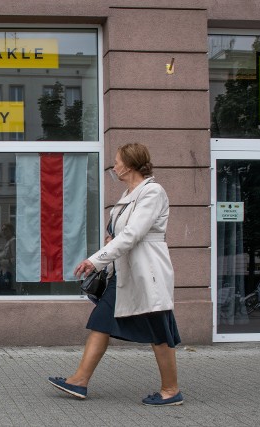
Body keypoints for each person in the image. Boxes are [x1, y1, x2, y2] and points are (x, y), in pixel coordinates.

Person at [48, 143, 183, 406]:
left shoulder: (152, 192)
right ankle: (79, 381)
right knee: (101, 321)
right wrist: (106, 255)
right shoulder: (128, 195)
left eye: (118, 161)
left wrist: (96, 260)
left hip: (147, 274)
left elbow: (132, 235)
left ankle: (171, 390)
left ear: (131, 165)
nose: (115, 166)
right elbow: (119, 235)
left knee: (159, 331)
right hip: (123, 273)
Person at [0, 223, 16, 294]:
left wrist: (2, 262)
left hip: (9, 276)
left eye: (6, 229)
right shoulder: (6, 243)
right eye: (2, 230)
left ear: (11, 231)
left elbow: (15, 260)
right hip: (2, 275)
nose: (3, 232)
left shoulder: (13, 241)